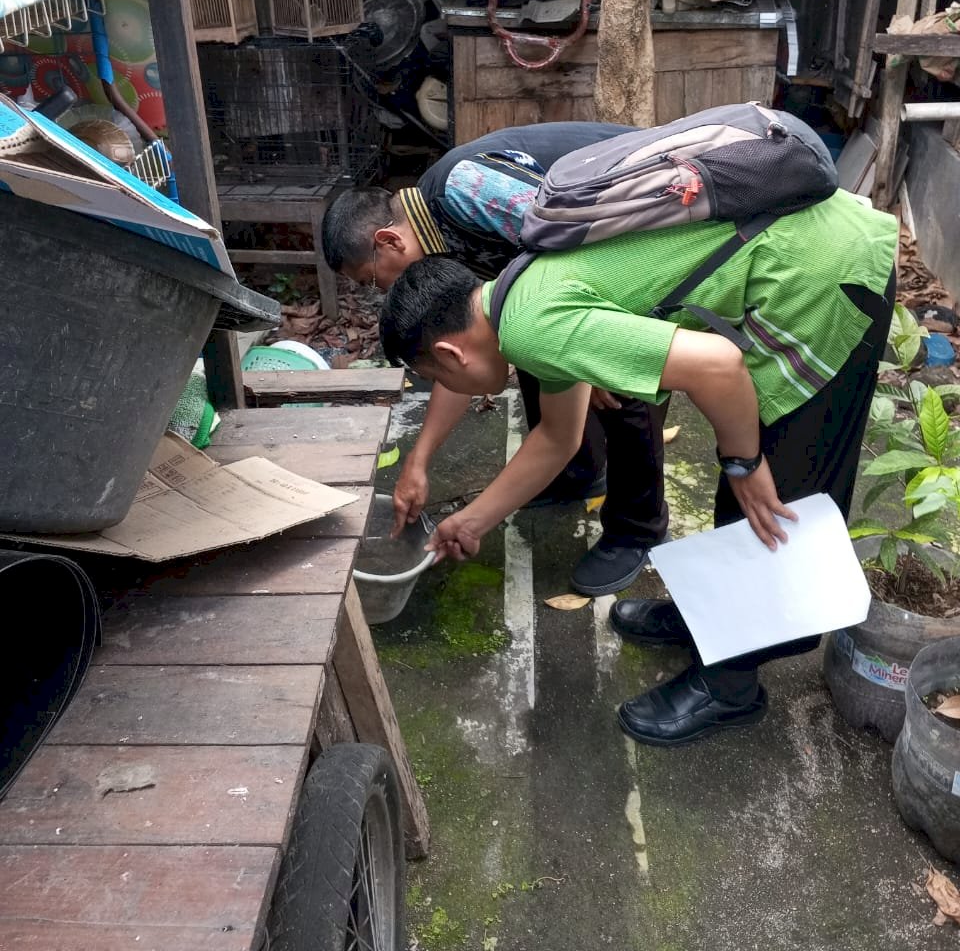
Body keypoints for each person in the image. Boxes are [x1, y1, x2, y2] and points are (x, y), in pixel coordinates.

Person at [378, 189, 898, 747]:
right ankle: (711, 623)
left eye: (435, 377)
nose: (444, 389)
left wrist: (743, 462)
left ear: (452, 355)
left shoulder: (532, 327)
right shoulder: (515, 297)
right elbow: (557, 438)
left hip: (828, 270)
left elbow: (719, 367)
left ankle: (732, 685)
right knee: (747, 465)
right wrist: (473, 521)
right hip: (799, 248)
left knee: (771, 489)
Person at [321, 122, 669, 596]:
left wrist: (596, 339)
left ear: (389, 241)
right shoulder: (435, 241)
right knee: (521, 339)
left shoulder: (466, 191)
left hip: (649, 224)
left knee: (621, 381)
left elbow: (595, 238)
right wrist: (417, 463)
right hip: (573, 277)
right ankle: (578, 472)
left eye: (370, 279)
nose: (380, 291)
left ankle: (637, 529)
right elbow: (461, 358)